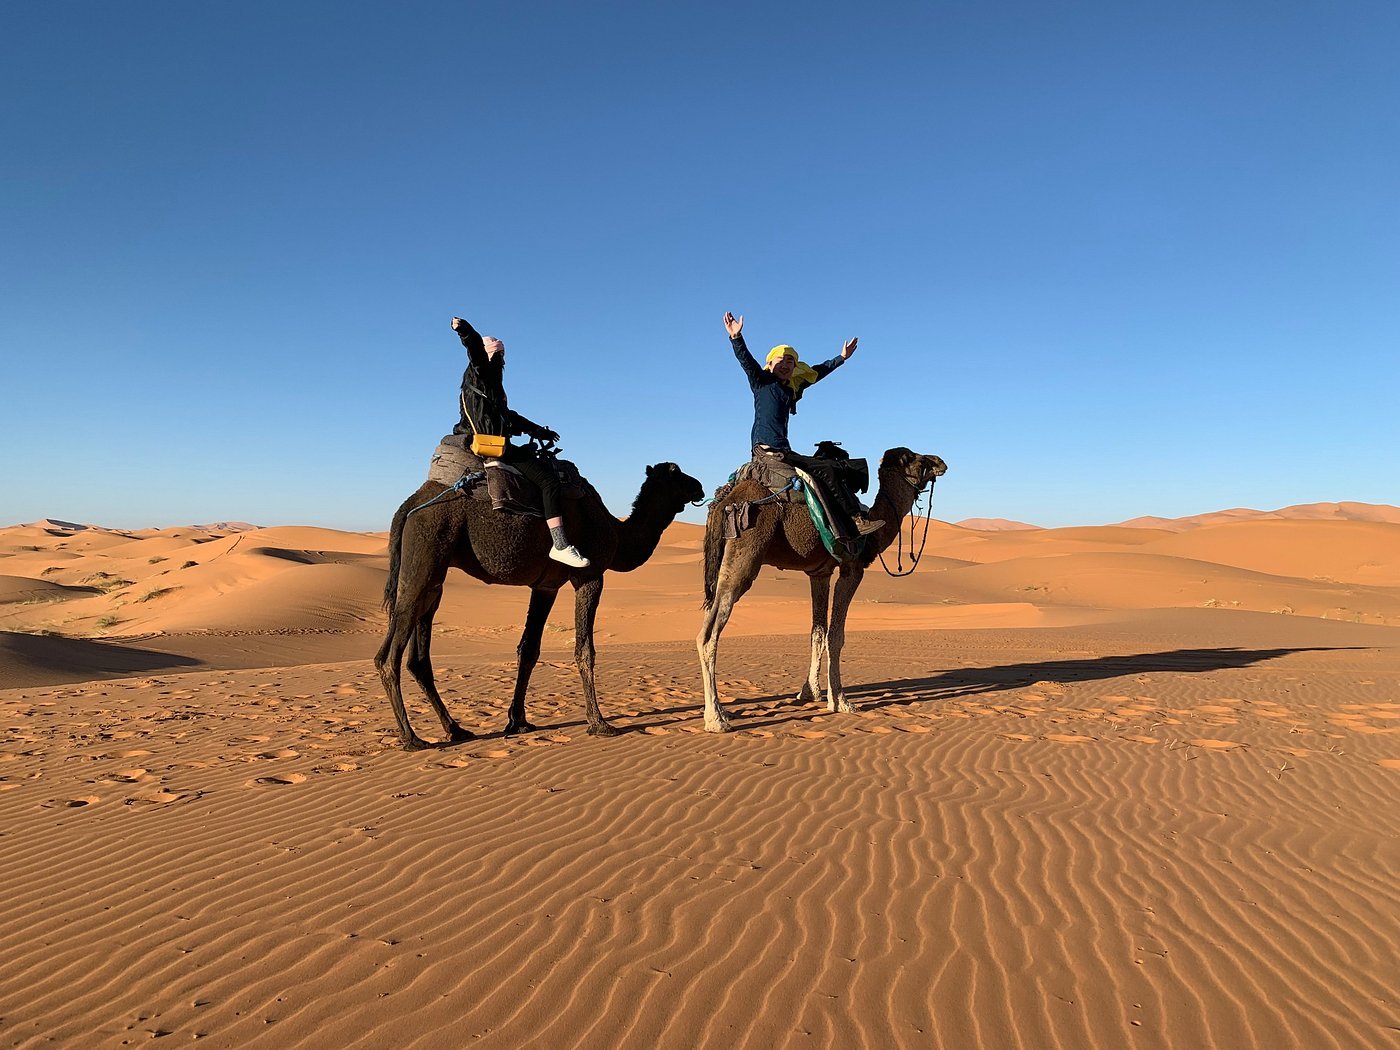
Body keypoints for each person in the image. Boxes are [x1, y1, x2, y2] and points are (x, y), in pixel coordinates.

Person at [723, 310, 884, 537]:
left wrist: (841, 358)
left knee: (834, 465)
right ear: (769, 363)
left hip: (784, 451)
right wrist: (736, 338)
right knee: (827, 470)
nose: (786, 364)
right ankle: (855, 519)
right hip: (768, 452)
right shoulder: (762, 382)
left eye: (791, 361)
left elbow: (817, 372)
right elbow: (747, 363)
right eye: (781, 359)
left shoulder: (791, 389)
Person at [450, 315, 590, 568]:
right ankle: (559, 545)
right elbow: (475, 352)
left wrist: (537, 430)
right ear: (494, 356)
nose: (503, 360)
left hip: (478, 437)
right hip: (494, 444)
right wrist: (465, 330)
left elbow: (507, 416)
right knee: (548, 481)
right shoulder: (482, 374)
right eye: (500, 355)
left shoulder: (486, 386)